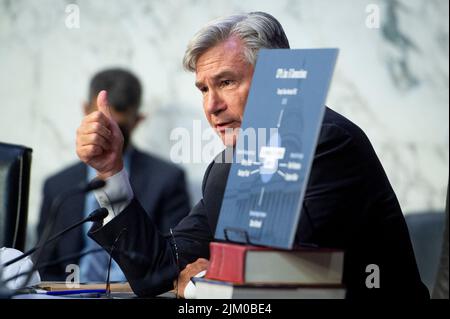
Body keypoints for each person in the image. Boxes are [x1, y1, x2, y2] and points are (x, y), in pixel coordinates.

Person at [75, 12, 428, 298]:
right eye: (203, 89)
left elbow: (291, 283)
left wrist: (199, 288)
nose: (211, 106)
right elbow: (158, 270)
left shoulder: (328, 144)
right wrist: (112, 171)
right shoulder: (226, 169)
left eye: (226, 82)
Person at [38, 68, 191, 281]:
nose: (109, 135)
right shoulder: (58, 186)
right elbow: (43, 268)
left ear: (137, 120)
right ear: (85, 109)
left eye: (119, 128)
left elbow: (174, 260)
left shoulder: (167, 179)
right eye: (102, 124)